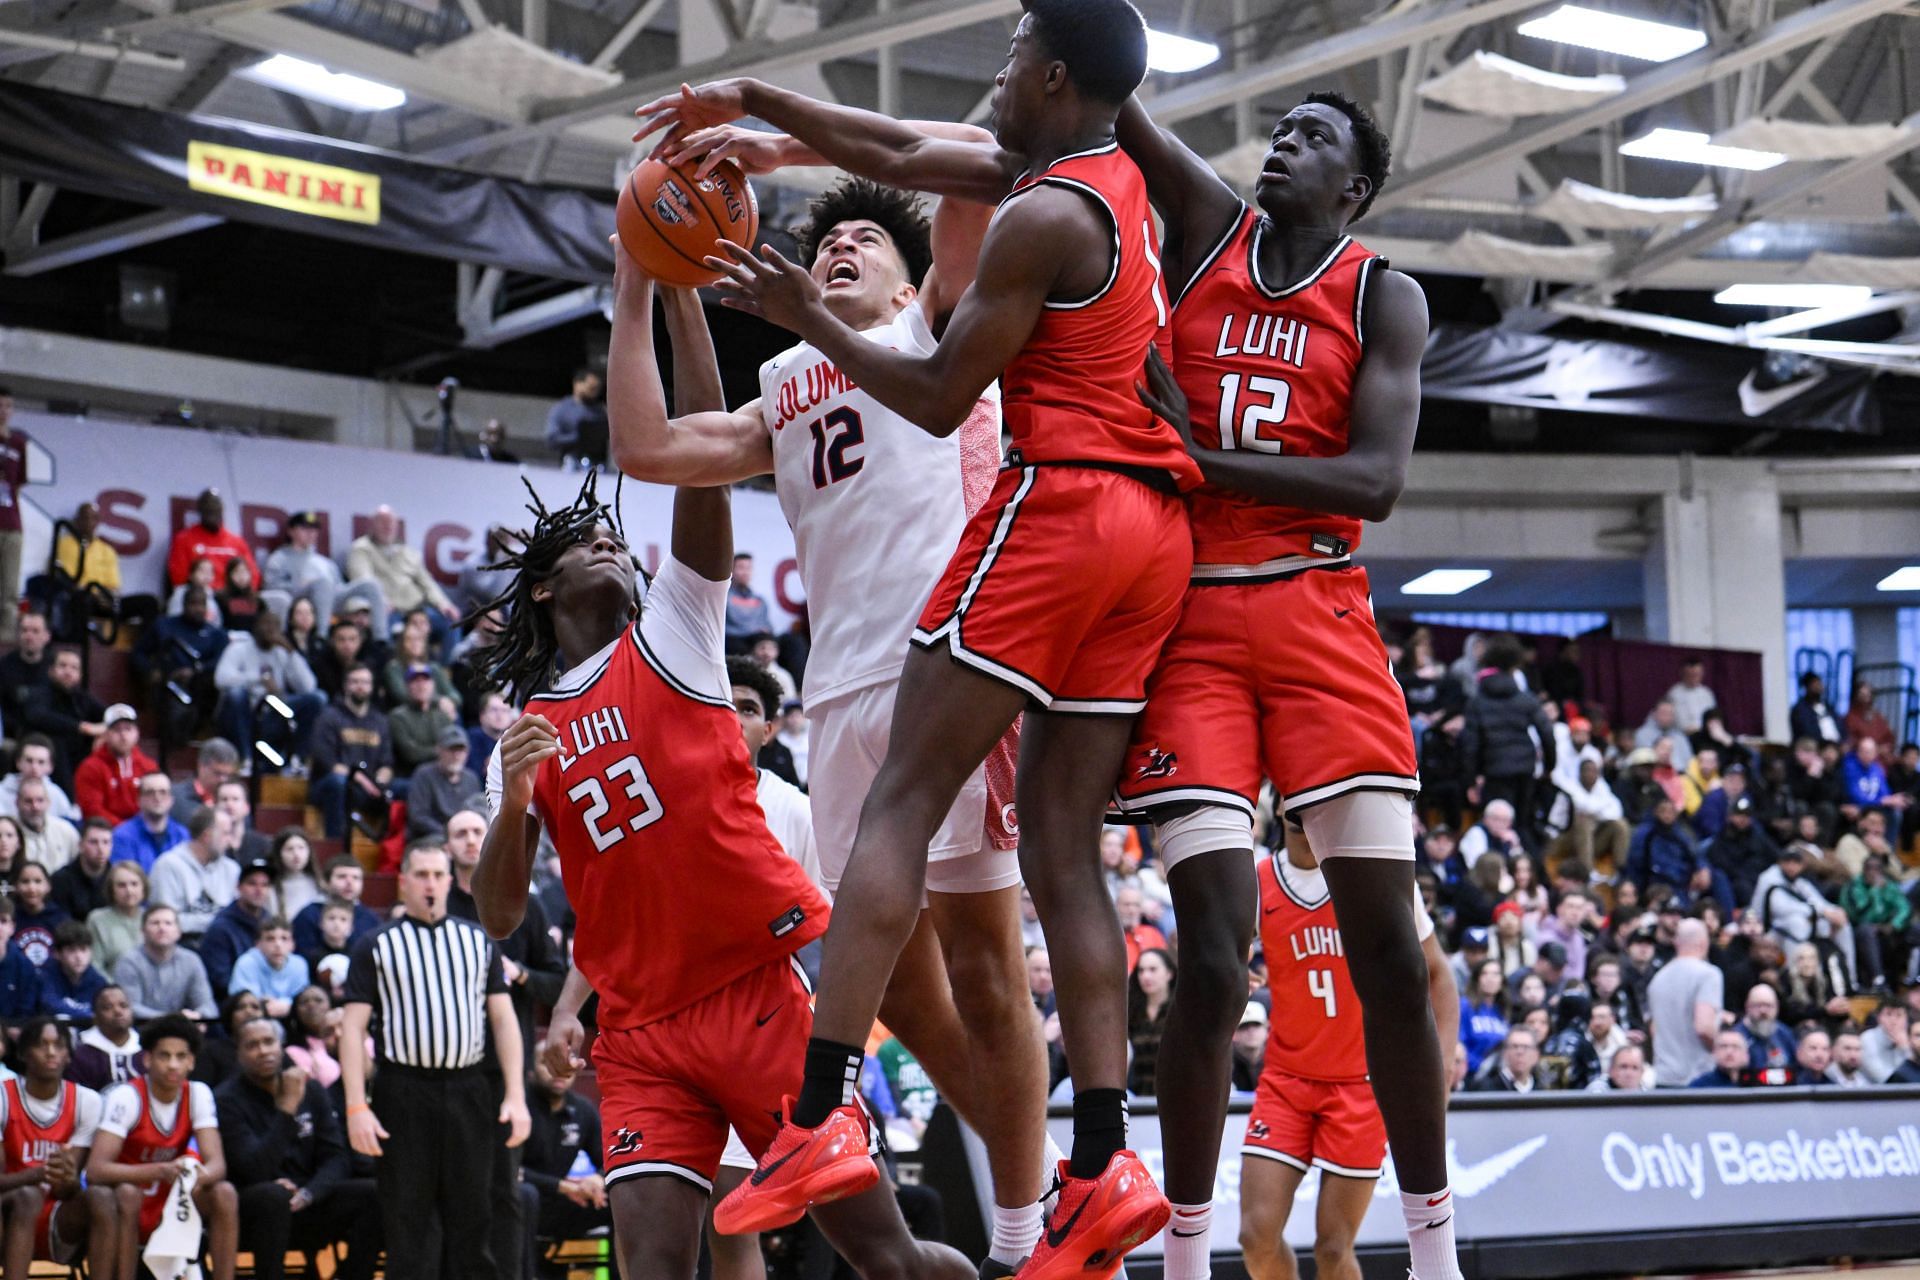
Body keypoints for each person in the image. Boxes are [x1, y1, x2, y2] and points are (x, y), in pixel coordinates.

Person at [646, 4, 1203, 1261]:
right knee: (1064, 851)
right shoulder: (1106, 185)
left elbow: (946, 381)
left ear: (1052, 76)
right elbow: (899, 149)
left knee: (909, 802)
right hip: (1151, 533)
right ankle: (1101, 1164)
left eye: (1012, 57)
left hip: (1059, 512)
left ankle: (818, 1114)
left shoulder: (1034, 213)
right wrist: (765, 122)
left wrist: (806, 305)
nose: (997, 76)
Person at [593, 132, 1060, 1258]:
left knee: (988, 960)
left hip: (945, 665)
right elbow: (647, 445)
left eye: (865, 240)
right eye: (829, 239)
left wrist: (785, 133)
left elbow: (979, 177)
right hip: (837, 696)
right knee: (896, 991)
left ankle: (1028, 1228)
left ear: (910, 279)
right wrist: (641, 277)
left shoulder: (936, 324)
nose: (843, 244)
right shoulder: (786, 378)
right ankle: (1035, 1166)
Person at [469, 465, 965, 1280]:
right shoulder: (522, 741)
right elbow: (497, 916)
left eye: (617, 540)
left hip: (754, 992)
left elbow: (705, 480)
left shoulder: (674, 634)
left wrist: (685, 339)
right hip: (638, 1032)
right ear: (542, 592)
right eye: (586, 543)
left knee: (883, 1255)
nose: (612, 546)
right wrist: (517, 795)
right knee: (656, 1265)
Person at [1239, 830, 1457, 1280]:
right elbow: (1216, 953)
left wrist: (1444, 1066)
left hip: (1362, 1085)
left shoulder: (1376, 872)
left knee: (1334, 1249)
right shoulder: (1256, 880)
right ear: (1281, 803)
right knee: (1255, 1239)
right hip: (1285, 1079)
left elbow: (1438, 974)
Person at [340, 845, 529, 1280]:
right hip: (401, 1091)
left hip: (470, 1091)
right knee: (408, 1221)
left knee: (474, 1215)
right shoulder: (375, 944)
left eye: (437, 874)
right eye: (420, 874)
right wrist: (356, 1106)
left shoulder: (478, 940)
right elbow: (353, 1029)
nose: (430, 883)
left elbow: (503, 1019)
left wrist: (516, 1095)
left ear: (450, 880)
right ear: (403, 880)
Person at [444, 808, 565, 1280]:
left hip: (503, 1067)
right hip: (445, 1064)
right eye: (461, 833)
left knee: (505, 1189)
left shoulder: (528, 907)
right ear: (448, 845)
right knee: (453, 1189)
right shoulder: (438, 907)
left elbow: (556, 982)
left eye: (478, 830)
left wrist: (520, 975)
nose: (471, 840)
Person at [216, 1016, 379, 1280]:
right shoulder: (227, 1100)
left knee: (374, 1193)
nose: (264, 1051)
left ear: (280, 1046)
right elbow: (252, 1169)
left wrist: (309, 1192)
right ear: (239, 1054)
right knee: (272, 1197)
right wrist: (287, 1110)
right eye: (252, 1045)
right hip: (257, 1207)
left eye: (269, 1042)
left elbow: (336, 1158)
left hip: (310, 1198)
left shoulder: (312, 1090)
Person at [90, 1014, 237, 1280]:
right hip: (129, 1201)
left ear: (192, 1061)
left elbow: (217, 1165)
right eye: (164, 1056)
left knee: (224, 1192)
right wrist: (158, 1170)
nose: (173, 1065)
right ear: (147, 1059)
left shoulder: (198, 1093)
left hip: (173, 1197)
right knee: (127, 1193)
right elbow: (96, 1170)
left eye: (181, 1056)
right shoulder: (126, 1096)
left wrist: (194, 1175)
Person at [0, 1017, 116, 1276]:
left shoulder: (88, 1101)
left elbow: (68, 1188)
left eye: (59, 1045)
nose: (51, 1052)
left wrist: (66, 1176)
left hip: (56, 1213)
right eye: (42, 1045)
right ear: (23, 1053)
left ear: (68, 1055)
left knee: (102, 1197)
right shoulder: (2, 1097)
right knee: (27, 1196)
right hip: (6, 1212)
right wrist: (37, 1174)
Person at [1461, 640, 1556, 844]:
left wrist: (1470, 780)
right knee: (1523, 826)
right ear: (1514, 666)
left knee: (1497, 829)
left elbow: (1470, 745)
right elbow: (1547, 733)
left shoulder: (1477, 702)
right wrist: (1549, 767)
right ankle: (1532, 872)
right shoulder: (1526, 699)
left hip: (1494, 772)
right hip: (1525, 769)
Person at [523, 1041, 612, 1250]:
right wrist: (562, 1187)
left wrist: (597, 1179)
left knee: (618, 1200)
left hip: (567, 1203)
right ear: (530, 1068)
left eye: (565, 1063)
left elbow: (611, 1159)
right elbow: (508, 1170)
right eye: (548, 1063)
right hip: (523, 1200)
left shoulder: (583, 1109)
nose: (559, 1071)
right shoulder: (519, 1106)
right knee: (526, 1195)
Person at [213, 611, 324, 768]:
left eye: (275, 626)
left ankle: (298, 760)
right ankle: (246, 759)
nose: (270, 629)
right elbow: (221, 679)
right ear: (256, 626)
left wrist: (291, 651)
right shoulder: (239, 648)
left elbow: (308, 686)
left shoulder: (283, 652)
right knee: (236, 695)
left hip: (272, 713)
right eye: (266, 624)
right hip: (245, 712)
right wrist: (258, 679)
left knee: (318, 699)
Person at [347, 507, 461, 643]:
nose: (387, 526)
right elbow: (363, 581)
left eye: (391, 523)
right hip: (388, 611)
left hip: (417, 609)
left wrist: (443, 603)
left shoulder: (409, 552)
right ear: (372, 524)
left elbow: (427, 583)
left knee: (451, 622)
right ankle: (392, 663)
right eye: (382, 522)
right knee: (382, 625)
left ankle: (448, 664)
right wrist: (381, 602)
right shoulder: (361, 549)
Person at [306, 666, 395, 840]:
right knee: (338, 783)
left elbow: (387, 764)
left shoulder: (380, 721)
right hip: (329, 786)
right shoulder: (328, 717)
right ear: (346, 686)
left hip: (369, 787)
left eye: (365, 682)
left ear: (372, 687)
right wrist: (360, 779)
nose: (360, 686)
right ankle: (335, 842)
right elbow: (326, 762)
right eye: (355, 682)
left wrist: (378, 782)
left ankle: (393, 847)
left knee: (405, 788)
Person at [1646, 918, 1724, 1087]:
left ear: (1676, 943)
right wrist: (1721, 1048)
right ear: (1704, 943)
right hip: (1697, 1078)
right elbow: (1703, 1027)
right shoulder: (1708, 975)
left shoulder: (1658, 978)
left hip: (1664, 1078)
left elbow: (1653, 1029)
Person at [21, 647, 108, 792]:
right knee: (58, 743)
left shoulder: (83, 697)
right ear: (51, 670)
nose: (68, 672)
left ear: (80, 675)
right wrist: (80, 727)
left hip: (78, 755)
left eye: (74, 668)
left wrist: (104, 733)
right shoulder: (39, 693)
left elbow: (112, 715)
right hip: (47, 752)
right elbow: (38, 716)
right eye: (62, 666)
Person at [113, 906, 217, 1023]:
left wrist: (198, 1015)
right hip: (141, 1030)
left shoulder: (192, 960)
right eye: (155, 923)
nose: (162, 928)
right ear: (143, 931)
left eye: (168, 923)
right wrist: (174, 1019)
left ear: (178, 932)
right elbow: (131, 1008)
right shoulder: (128, 962)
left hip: (184, 1030)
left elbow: (208, 1005)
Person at [149, 807, 240, 940]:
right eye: (225, 834)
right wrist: (218, 921)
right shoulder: (168, 865)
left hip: (224, 941)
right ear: (207, 836)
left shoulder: (231, 868)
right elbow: (165, 920)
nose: (230, 841)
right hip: (182, 943)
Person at [198, 860, 278, 1001]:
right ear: (238, 887)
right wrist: (255, 997)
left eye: (265, 885)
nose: (259, 890)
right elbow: (219, 980)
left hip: (271, 1000)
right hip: (232, 1004)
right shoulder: (221, 927)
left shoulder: (271, 923)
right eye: (252, 883)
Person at [71, 705, 155, 827]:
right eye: (117, 730)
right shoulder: (90, 767)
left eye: (128, 729)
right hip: (105, 834)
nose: (123, 735)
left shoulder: (148, 767)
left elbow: (154, 805)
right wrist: (126, 831)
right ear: (106, 734)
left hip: (143, 832)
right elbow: (92, 810)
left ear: (137, 733)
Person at [165, 490, 256, 590]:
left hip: (232, 598)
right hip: (200, 597)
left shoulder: (237, 542)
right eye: (208, 509)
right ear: (200, 510)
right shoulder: (184, 539)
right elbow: (179, 576)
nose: (213, 513)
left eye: (216, 509)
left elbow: (253, 576)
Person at [291, 857, 381, 956]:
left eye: (356, 878)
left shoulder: (370, 918)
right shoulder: (308, 915)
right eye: (342, 876)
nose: (349, 883)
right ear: (326, 882)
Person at [406, 727, 485, 840]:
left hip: (466, 836)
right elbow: (418, 817)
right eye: (451, 750)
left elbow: (478, 813)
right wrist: (450, 834)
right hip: (433, 837)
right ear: (439, 750)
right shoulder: (424, 775)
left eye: (461, 750)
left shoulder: (471, 778)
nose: (456, 756)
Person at [69, 985, 144, 1090]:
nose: (118, 1011)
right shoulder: (80, 1051)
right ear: (95, 1016)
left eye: (123, 1005)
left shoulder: (145, 1047)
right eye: (108, 1007)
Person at [110, 773, 187, 875]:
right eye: (150, 792)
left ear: (171, 800)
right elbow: (125, 881)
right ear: (139, 800)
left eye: (163, 792)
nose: (157, 798)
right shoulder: (122, 836)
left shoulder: (182, 835)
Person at [1125, 947, 1175, 1097]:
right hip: (1136, 1096)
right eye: (1141, 970)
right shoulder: (1131, 1012)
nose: (1146, 976)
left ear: (1169, 973)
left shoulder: (1180, 1012)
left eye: (1153, 970)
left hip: (1173, 1095)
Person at [0, 734, 80, 825]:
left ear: (50, 767)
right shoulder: (1, 792)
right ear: (18, 762)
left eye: (41, 762)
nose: (34, 767)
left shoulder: (56, 794)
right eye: (29, 761)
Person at [37, 921, 108, 1020]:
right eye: (71, 950)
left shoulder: (98, 982)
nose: (79, 957)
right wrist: (87, 1016)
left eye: (83, 950)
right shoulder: (45, 975)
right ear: (57, 954)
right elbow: (49, 1004)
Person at [86, 864, 147, 979]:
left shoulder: (152, 918)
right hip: (112, 990)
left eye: (134, 884)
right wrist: (115, 990)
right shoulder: (97, 920)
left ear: (143, 888)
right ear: (111, 890)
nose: (129, 890)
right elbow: (94, 966)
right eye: (121, 885)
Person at [545, 367, 609, 470]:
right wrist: (577, 437)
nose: (594, 393)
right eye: (591, 388)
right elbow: (552, 440)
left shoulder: (601, 412)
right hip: (571, 462)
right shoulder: (562, 409)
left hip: (597, 465)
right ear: (577, 384)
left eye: (597, 389)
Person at [52, 817, 114, 921]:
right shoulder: (61, 880)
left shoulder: (117, 878)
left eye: (106, 842)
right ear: (81, 845)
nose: (101, 849)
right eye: (93, 842)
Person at [16, 777, 79, 873]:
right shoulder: (9, 833)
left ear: (48, 802)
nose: (35, 807)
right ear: (17, 803)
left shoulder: (66, 831)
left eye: (40, 800)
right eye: (28, 801)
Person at [12, 863, 68, 969]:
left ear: (48, 886)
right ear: (16, 886)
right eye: (25, 881)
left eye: (38, 881)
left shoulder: (61, 919)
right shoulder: (9, 919)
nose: (31, 888)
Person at [1736, 982, 1796, 1072]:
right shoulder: (1736, 1036)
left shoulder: (1785, 1034)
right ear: (1747, 1007)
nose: (1763, 1011)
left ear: (1777, 1007)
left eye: (1768, 1006)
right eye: (1758, 1005)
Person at [1467, 1028, 1542, 1093]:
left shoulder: (1542, 1092)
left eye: (1526, 1047)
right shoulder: (1486, 1089)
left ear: (1536, 1055)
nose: (1520, 1052)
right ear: (1505, 1053)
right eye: (1515, 1046)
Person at [1665, 659, 1717, 735]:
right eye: (1690, 675)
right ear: (1683, 674)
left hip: (1704, 735)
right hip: (1681, 735)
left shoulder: (1707, 694)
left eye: (1696, 674)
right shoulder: (1674, 694)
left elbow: (1713, 717)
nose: (1693, 678)